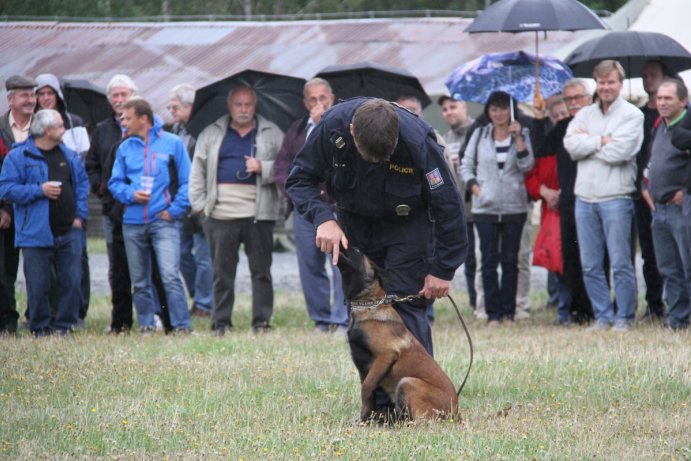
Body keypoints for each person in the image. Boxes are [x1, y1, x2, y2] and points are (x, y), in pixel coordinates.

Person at [286, 97, 468, 357]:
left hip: (407, 225)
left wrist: (443, 269)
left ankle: (416, 391)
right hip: (355, 223)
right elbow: (300, 180)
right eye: (368, 156)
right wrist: (324, 219)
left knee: (406, 306)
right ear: (352, 132)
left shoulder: (418, 141)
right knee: (364, 309)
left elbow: (449, 206)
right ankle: (376, 397)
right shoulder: (331, 128)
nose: (376, 164)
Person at [189, 85, 284, 335]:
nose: (243, 110)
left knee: (261, 272)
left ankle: (261, 322)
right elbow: (197, 170)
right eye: (238, 105)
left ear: (255, 106)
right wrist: (200, 206)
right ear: (229, 107)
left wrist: (263, 166)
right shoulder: (211, 133)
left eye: (248, 105)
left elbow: (288, 167)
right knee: (222, 274)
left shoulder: (271, 132)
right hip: (220, 215)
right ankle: (221, 323)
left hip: (259, 214)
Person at [564, 60, 644, 332]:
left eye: (611, 82)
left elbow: (622, 153)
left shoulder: (633, 115)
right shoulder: (585, 114)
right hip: (584, 199)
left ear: (620, 84)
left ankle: (624, 317)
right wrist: (603, 140)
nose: (606, 87)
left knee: (621, 262)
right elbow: (571, 146)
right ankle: (603, 316)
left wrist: (590, 143)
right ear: (595, 84)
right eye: (601, 82)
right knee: (590, 264)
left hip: (616, 198)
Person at [0, 109, 88, 336]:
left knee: (71, 282)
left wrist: (79, 217)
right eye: (60, 126)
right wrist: (39, 190)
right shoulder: (18, 156)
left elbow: (82, 187)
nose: (64, 130)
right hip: (35, 231)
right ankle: (40, 327)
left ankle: (64, 326)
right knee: (39, 285)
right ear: (47, 131)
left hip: (69, 230)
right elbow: (7, 189)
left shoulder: (69, 155)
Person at [108, 97, 192, 334]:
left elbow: (188, 181)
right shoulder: (124, 148)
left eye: (127, 117)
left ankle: (181, 327)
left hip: (164, 222)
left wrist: (175, 210)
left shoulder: (173, 143)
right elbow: (114, 183)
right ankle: (146, 326)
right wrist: (131, 194)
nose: (123, 121)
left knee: (170, 277)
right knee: (140, 282)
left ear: (143, 119)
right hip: (132, 223)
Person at [274, 78, 347, 334]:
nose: (319, 103)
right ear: (305, 103)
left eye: (323, 98)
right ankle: (320, 319)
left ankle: (342, 319)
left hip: (337, 208)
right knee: (310, 265)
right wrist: (298, 194)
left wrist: (322, 127)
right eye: (313, 99)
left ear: (332, 97)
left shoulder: (342, 125)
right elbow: (282, 167)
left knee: (341, 263)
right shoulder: (295, 131)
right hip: (305, 209)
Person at [460, 91, 535, 326]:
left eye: (503, 108)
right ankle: (492, 314)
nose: (499, 113)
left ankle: (509, 312)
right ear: (488, 112)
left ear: (511, 110)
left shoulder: (522, 133)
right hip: (485, 209)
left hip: (515, 206)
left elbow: (527, 165)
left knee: (511, 261)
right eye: (494, 109)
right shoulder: (480, 134)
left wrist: (519, 140)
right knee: (489, 261)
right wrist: (475, 188)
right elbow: (465, 165)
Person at [35, 72, 92, 326]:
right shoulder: (29, 133)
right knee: (41, 268)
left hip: (69, 208)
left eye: (50, 93)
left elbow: (84, 170)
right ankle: (42, 315)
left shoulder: (74, 125)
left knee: (76, 262)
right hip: (40, 211)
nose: (46, 98)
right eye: (41, 94)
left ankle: (75, 313)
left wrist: (79, 214)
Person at [85, 74, 136, 333]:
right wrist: (101, 191)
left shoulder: (145, 127)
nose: (119, 100)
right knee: (117, 268)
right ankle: (121, 321)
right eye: (115, 96)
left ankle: (153, 317)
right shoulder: (103, 130)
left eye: (123, 95)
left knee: (145, 266)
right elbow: (91, 165)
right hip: (111, 210)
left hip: (141, 208)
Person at [641, 79, 690, 331]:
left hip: (681, 208)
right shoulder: (659, 125)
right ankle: (678, 318)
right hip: (658, 208)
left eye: (668, 98)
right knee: (668, 268)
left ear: (683, 100)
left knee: (688, 264)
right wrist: (646, 187)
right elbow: (651, 160)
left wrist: (684, 192)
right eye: (659, 98)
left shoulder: (687, 127)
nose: (661, 103)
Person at [167, 83, 213, 318]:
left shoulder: (205, 131)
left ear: (189, 107)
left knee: (205, 256)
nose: (171, 111)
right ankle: (198, 295)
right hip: (180, 200)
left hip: (202, 201)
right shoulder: (174, 132)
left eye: (175, 107)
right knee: (183, 253)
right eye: (169, 107)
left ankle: (204, 304)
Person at [527, 95, 572, 325]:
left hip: (569, 204)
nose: (560, 120)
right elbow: (531, 177)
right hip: (550, 210)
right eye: (556, 117)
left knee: (568, 258)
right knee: (554, 257)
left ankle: (570, 306)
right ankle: (559, 303)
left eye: (564, 115)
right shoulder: (547, 145)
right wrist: (544, 191)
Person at [0, 75, 37, 331]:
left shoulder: (45, 125)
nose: (31, 100)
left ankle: (38, 319)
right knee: (4, 272)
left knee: (40, 270)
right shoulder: (1, 129)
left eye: (32, 95)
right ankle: (7, 321)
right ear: (10, 99)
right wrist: (2, 207)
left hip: (36, 209)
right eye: (24, 95)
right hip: (6, 212)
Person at [438, 95, 479, 315]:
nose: (449, 112)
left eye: (453, 107)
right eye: (445, 109)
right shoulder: (444, 138)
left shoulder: (478, 131)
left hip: (480, 207)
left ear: (464, 106)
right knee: (469, 258)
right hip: (460, 210)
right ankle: (474, 302)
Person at [635, 60, 668, 321]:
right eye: (645, 76)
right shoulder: (638, 115)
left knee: (674, 254)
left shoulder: (673, 115)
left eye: (653, 75)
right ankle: (654, 305)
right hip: (640, 192)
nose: (648, 81)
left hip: (668, 193)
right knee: (649, 255)